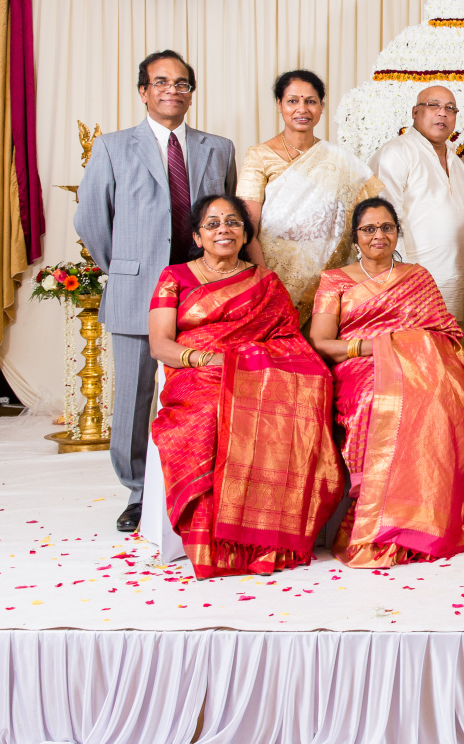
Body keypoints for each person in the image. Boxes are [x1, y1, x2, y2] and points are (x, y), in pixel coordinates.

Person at [75, 50, 237, 535]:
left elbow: (225, 218)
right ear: (144, 91)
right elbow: (91, 219)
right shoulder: (112, 148)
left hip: (203, 295)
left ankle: (202, 486)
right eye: (161, 82)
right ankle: (137, 491)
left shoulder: (219, 148)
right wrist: (124, 268)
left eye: (182, 83)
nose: (172, 90)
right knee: (134, 397)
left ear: (192, 92)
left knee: (205, 392)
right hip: (137, 292)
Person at [146, 195, 342, 577]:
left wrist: (251, 362)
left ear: (245, 233)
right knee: (208, 414)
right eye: (212, 223)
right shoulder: (175, 276)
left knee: (293, 402)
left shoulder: (264, 281)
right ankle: (213, 539)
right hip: (196, 372)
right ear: (198, 237)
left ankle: (264, 537)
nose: (224, 229)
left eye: (233, 222)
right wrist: (208, 359)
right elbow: (160, 344)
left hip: (252, 371)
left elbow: (286, 337)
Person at [309, 197, 464, 567]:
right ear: (355, 237)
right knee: (374, 401)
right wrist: (372, 347)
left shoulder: (417, 276)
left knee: (438, 396)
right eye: (369, 229)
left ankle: (428, 516)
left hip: (417, 363)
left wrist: (404, 348)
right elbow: (321, 342)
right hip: (358, 364)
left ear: (397, 232)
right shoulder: (335, 280)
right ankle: (378, 516)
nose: (378, 235)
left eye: (386, 227)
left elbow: (444, 334)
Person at [239, 69, 383, 321]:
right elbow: (247, 227)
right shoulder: (259, 156)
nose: (302, 109)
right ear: (279, 105)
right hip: (270, 274)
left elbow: (362, 222)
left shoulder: (342, 162)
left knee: (322, 341)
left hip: (327, 280)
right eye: (292, 101)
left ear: (321, 106)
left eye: (310, 101)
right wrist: (264, 279)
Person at [367, 85, 464, 325]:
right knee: (417, 344)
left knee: (454, 343)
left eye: (450, 108)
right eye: (433, 105)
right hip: (411, 284)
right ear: (415, 112)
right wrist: (398, 279)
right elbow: (381, 222)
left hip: (457, 280)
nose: (442, 113)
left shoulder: (457, 163)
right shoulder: (396, 152)